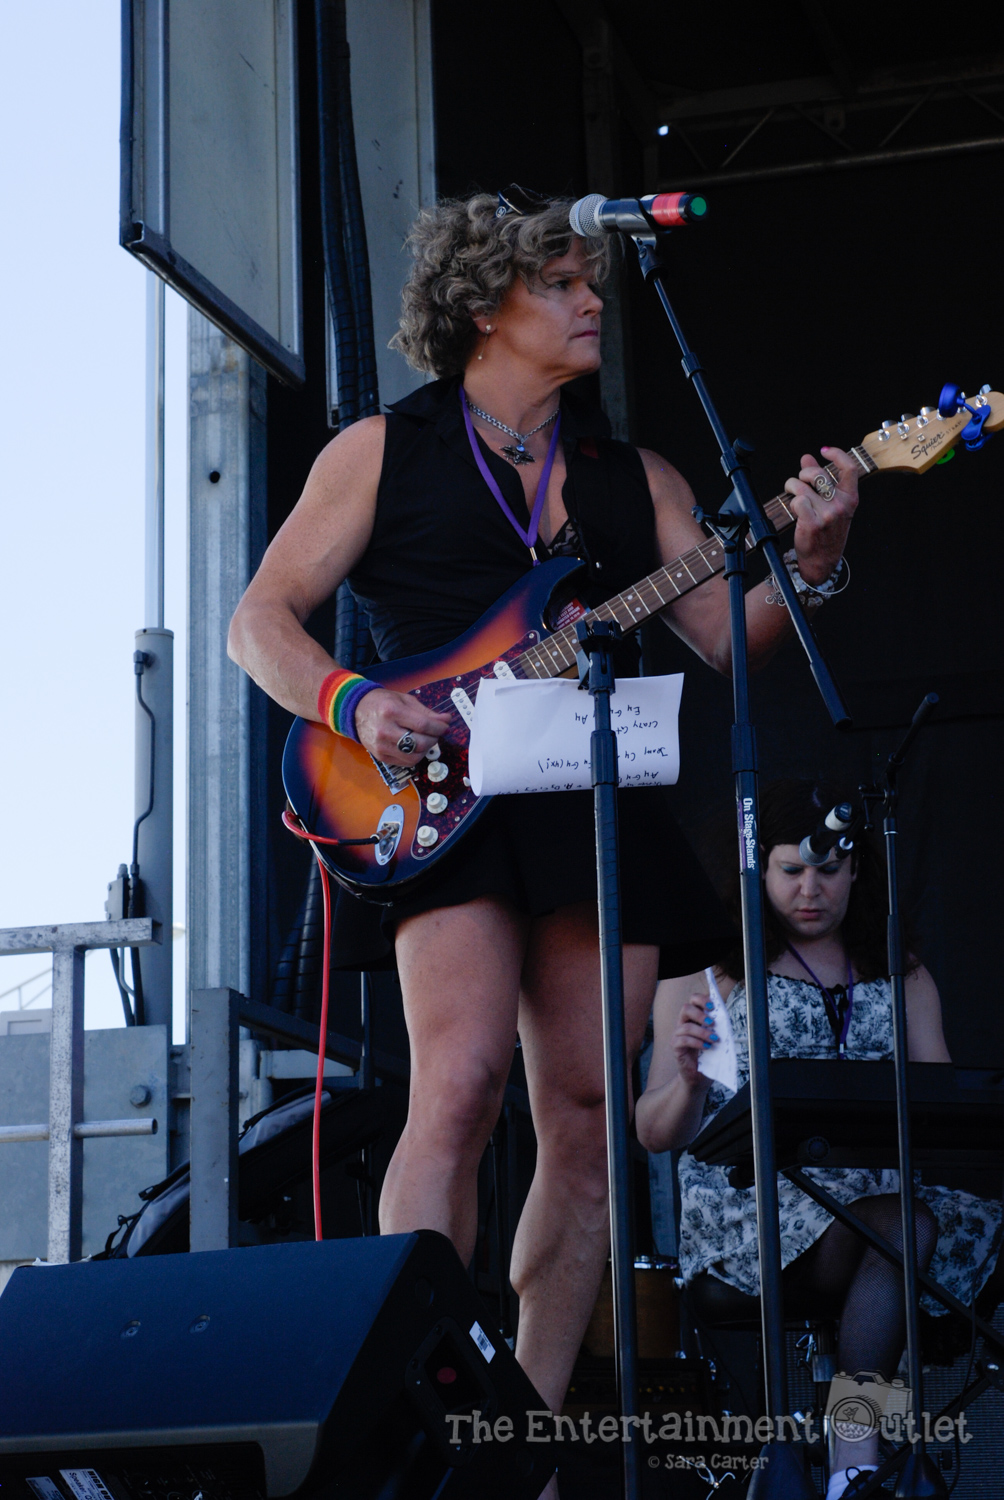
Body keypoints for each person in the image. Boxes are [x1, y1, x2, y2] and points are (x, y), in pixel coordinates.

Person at [227, 188, 859, 1459]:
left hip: (589, 798)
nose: (589, 303)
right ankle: (408, 1414)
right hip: (435, 792)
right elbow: (260, 623)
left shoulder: (636, 478)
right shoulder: (381, 450)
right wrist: (355, 702)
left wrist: (815, 560)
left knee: (580, 1111)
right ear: (480, 307)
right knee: (458, 1087)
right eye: (559, 284)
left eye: (592, 283)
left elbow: (725, 642)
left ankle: (520, 1433)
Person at [637, 778, 1002, 1500]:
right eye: (790, 871)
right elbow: (653, 1132)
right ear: (757, 871)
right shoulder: (712, 970)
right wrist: (687, 1081)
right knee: (901, 1228)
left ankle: (855, 1458)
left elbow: (940, 1109)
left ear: (857, 869)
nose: (810, 890)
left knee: (925, 1225)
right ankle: (856, 1454)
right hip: (752, 1206)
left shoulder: (902, 974)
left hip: (882, 1197)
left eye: (829, 870)